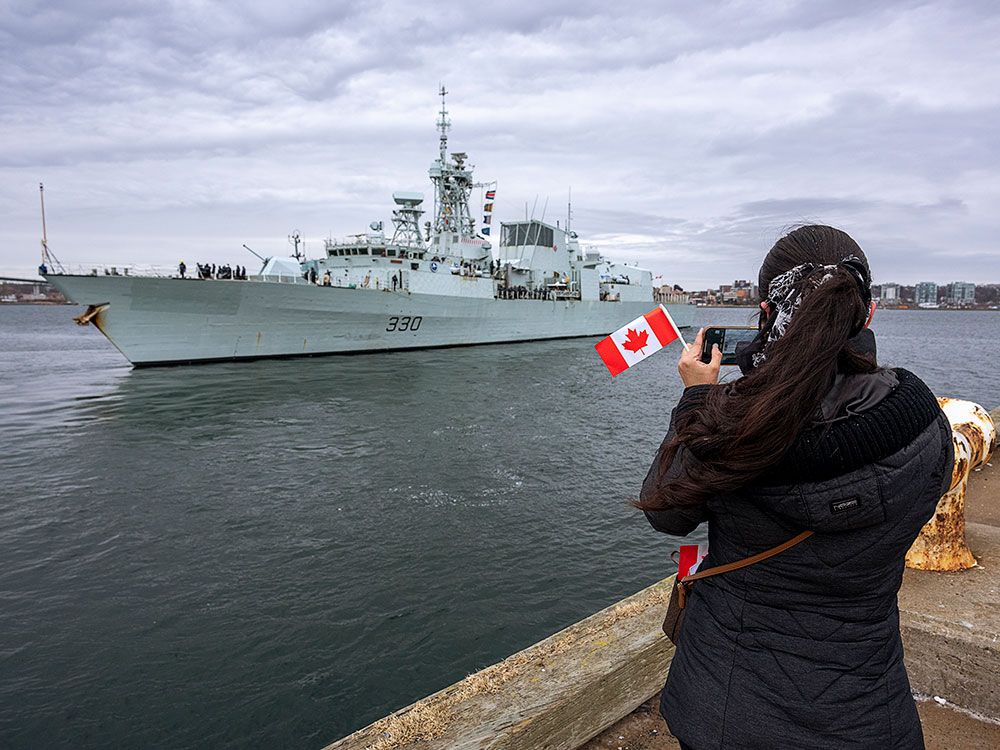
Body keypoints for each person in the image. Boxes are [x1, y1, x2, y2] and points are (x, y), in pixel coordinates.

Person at [637, 225, 952, 749]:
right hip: (868, 710)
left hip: (727, 705)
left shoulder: (727, 427)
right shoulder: (921, 420)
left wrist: (695, 400)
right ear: (865, 314)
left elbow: (665, 512)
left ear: (765, 316)